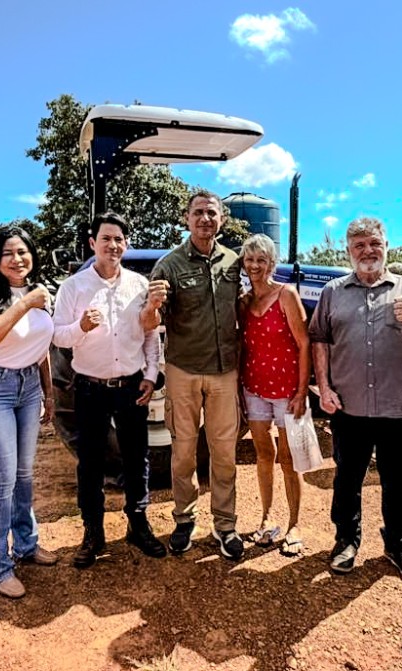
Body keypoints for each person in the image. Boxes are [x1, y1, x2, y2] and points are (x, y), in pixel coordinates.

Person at [308, 216, 402, 587]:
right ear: (348, 251)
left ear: (386, 246)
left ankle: (399, 547)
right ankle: (346, 541)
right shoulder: (333, 292)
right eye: (360, 245)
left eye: (374, 244)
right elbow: (319, 339)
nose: (368, 251)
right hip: (349, 406)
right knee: (347, 479)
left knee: (399, 482)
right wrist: (323, 386)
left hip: (399, 407)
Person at [52, 212, 166, 568]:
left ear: (125, 244)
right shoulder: (73, 287)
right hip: (90, 388)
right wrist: (81, 327)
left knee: (136, 457)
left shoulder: (138, 285)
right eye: (106, 238)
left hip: (130, 386)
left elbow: (150, 334)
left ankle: (138, 523)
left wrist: (151, 374)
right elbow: (58, 335)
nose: (112, 245)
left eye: (118, 239)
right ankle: (93, 532)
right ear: (93, 243)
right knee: (90, 462)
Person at [148, 190, 244, 561]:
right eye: (198, 212)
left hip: (224, 372)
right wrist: (153, 305)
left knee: (224, 453)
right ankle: (184, 519)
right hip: (183, 371)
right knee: (184, 452)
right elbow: (152, 321)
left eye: (212, 213)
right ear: (186, 219)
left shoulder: (234, 262)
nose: (205, 218)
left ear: (222, 219)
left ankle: (225, 524)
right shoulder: (169, 265)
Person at [0, 224, 59, 599]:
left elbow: (41, 345)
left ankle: (26, 544)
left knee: (24, 475)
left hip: (29, 386)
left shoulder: (41, 291)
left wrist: (49, 392)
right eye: (7, 253)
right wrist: (24, 304)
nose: (17, 259)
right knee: (3, 480)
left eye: (22, 251)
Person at [237, 234, 310, 556]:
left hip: (286, 391)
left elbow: (304, 343)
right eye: (250, 259)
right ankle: (266, 518)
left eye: (261, 260)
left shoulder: (286, 295)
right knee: (263, 454)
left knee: (290, 459)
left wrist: (302, 392)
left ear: (272, 264)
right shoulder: (244, 303)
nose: (255, 265)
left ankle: (294, 524)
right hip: (254, 388)